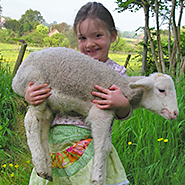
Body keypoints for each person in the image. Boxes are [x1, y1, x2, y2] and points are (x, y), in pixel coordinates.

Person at [27, 2, 132, 185]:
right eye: (82, 38)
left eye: (97, 36)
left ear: (113, 36)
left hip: (90, 146)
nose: (89, 44)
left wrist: (122, 104)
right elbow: (44, 90)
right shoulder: (67, 66)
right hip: (54, 146)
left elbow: (123, 113)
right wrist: (30, 95)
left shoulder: (116, 73)